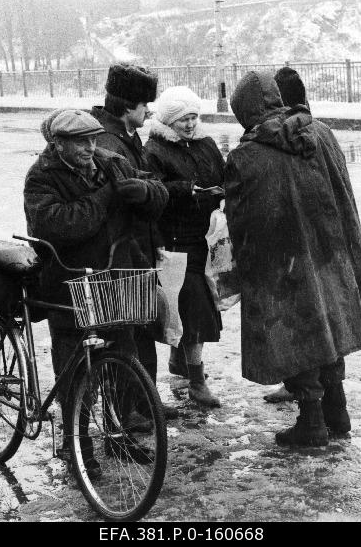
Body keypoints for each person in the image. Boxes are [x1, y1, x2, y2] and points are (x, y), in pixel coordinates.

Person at [224, 71, 361, 448]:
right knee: (330, 327)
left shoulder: (246, 156)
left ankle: (312, 421)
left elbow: (240, 220)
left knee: (296, 334)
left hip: (284, 262)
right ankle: (338, 410)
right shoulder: (322, 133)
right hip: (331, 252)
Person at [23, 109, 168, 472]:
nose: (91, 147)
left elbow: (160, 193)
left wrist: (145, 192)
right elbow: (61, 224)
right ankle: (78, 447)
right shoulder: (41, 177)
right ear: (58, 144)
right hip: (69, 286)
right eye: (80, 141)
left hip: (114, 278)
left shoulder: (110, 162)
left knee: (123, 356)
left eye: (92, 138)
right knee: (74, 374)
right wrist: (107, 196)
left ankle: (119, 438)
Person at [90, 63, 178, 422]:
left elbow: (151, 187)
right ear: (128, 106)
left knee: (140, 330)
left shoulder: (124, 136)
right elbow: (132, 197)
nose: (150, 111)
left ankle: (145, 403)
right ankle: (127, 410)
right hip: (119, 253)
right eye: (145, 105)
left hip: (137, 248)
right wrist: (149, 193)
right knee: (124, 333)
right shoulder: (108, 143)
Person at [143, 86, 224, 409]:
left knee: (197, 309)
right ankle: (197, 381)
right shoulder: (155, 150)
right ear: (168, 122)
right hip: (176, 241)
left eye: (193, 117)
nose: (190, 125)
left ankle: (179, 360)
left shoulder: (205, 144)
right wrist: (187, 191)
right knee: (194, 311)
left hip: (207, 238)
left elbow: (223, 172)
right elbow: (154, 190)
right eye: (182, 120)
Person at [263, 67, 310, 404]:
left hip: (295, 246)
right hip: (321, 244)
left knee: (298, 322)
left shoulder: (284, 135)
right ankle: (331, 408)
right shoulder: (314, 128)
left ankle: (306, 402)